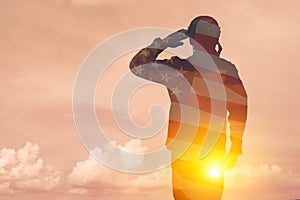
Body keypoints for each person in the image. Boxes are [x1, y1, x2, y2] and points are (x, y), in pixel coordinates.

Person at [129, 16, 247, 200]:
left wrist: (164, 43)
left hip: (182, 150)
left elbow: (137, 65)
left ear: (191, 40)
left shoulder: (177, 67)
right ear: (216, 39)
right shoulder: (228, 70)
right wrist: (236, 146)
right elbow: (239, 110)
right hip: (213, 150)